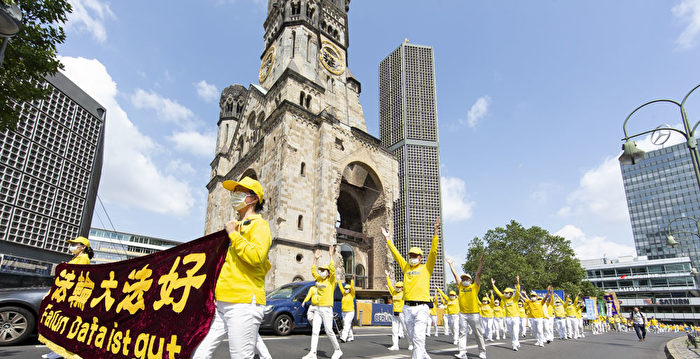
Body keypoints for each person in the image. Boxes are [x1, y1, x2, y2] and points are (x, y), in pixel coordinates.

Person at [193, 177, 272, 359]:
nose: (234, 196)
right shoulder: (234, 226)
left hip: (243, 302)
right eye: (234, 191)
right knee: (199, 354)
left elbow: (256, 257)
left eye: (240, 192)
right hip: (222, 303)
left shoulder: (260, 226)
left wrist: (234, 235)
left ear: (253, 198)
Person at [382, 218, 440, 359]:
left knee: (419, 338)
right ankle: (424, 354)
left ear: (420, 258)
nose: (412, 258)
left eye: (414, 256)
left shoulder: (427, 268)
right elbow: (396, 255)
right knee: (414, 338)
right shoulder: (406, 266)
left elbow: (433, 252)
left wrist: (435, 232)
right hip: (407, 308)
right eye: (410, 256)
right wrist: (388, 239)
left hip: (422, 307)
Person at [41, 236, 94, 359]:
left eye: (75, 244)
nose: (72, 246)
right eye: (72, 244)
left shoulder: (83, 259)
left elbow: (72, 277)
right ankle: (58, 350)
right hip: (64, 294)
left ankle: (62, 351)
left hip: (70, 297)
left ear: (83, 247)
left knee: (64, 324)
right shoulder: (76, 258)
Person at [302, 246, 343, 359]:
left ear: (328, 272)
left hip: (327, 308)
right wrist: (315, 259)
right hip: (318, 309)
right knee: (315, 331)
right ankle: (313, 353)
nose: (321, 272)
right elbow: (313, 272)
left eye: (324, 270)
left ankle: (338, 350)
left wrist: (331, 255)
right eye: (321, 270)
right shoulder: (319, 280)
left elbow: (333, 269)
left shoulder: (331, 281)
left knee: (329, 331)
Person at [447, 253, 486, 359]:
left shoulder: (474, 287)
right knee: (462, 333)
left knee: (478, 334)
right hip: (463, 314)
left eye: (466, 279)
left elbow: (478, 274)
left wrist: (480, 262)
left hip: (474, 315)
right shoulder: (460, 287)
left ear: (471, 281)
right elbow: (455, 276)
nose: (464, 281)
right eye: (463, 279)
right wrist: (450, 265)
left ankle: (482, 351)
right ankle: (462, 352)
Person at [492, 276, 521, 351]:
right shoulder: (504, 298)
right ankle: (516, 342)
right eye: (505, 292)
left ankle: (514, 345)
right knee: (511, 332)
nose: (505, 293)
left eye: (507, 293)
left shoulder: (515, 298)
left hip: (516, 317)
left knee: (515, 331)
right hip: (508, 318)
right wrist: (493, 285)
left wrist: (518, 282)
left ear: (511, 293)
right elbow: (498, 292)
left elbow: (518, 292)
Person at [386, 273, 408, 350]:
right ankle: (395, 345)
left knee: (406, 329)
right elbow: (389, 285)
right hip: (394, 313)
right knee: (394, 330)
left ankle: (411, 343)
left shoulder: (404, 293)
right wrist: (387, 277)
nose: (397, 288)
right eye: (396, 287)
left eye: (399, 287)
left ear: (402, 287)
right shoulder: (394, 292)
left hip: (402, 313)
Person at [339, 277, 356, 343]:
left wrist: (352, 280)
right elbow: (340, 287)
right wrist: (339, 281)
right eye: (345, 288)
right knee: (347, 324)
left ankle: (343, 337)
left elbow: (352, 288)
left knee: (346, 324)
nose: (345, 289)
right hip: (344, 312)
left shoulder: (352, 295)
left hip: (350, 312)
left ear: (349, 289)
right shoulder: (344, 294)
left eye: (347, 289)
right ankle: (351, 337)